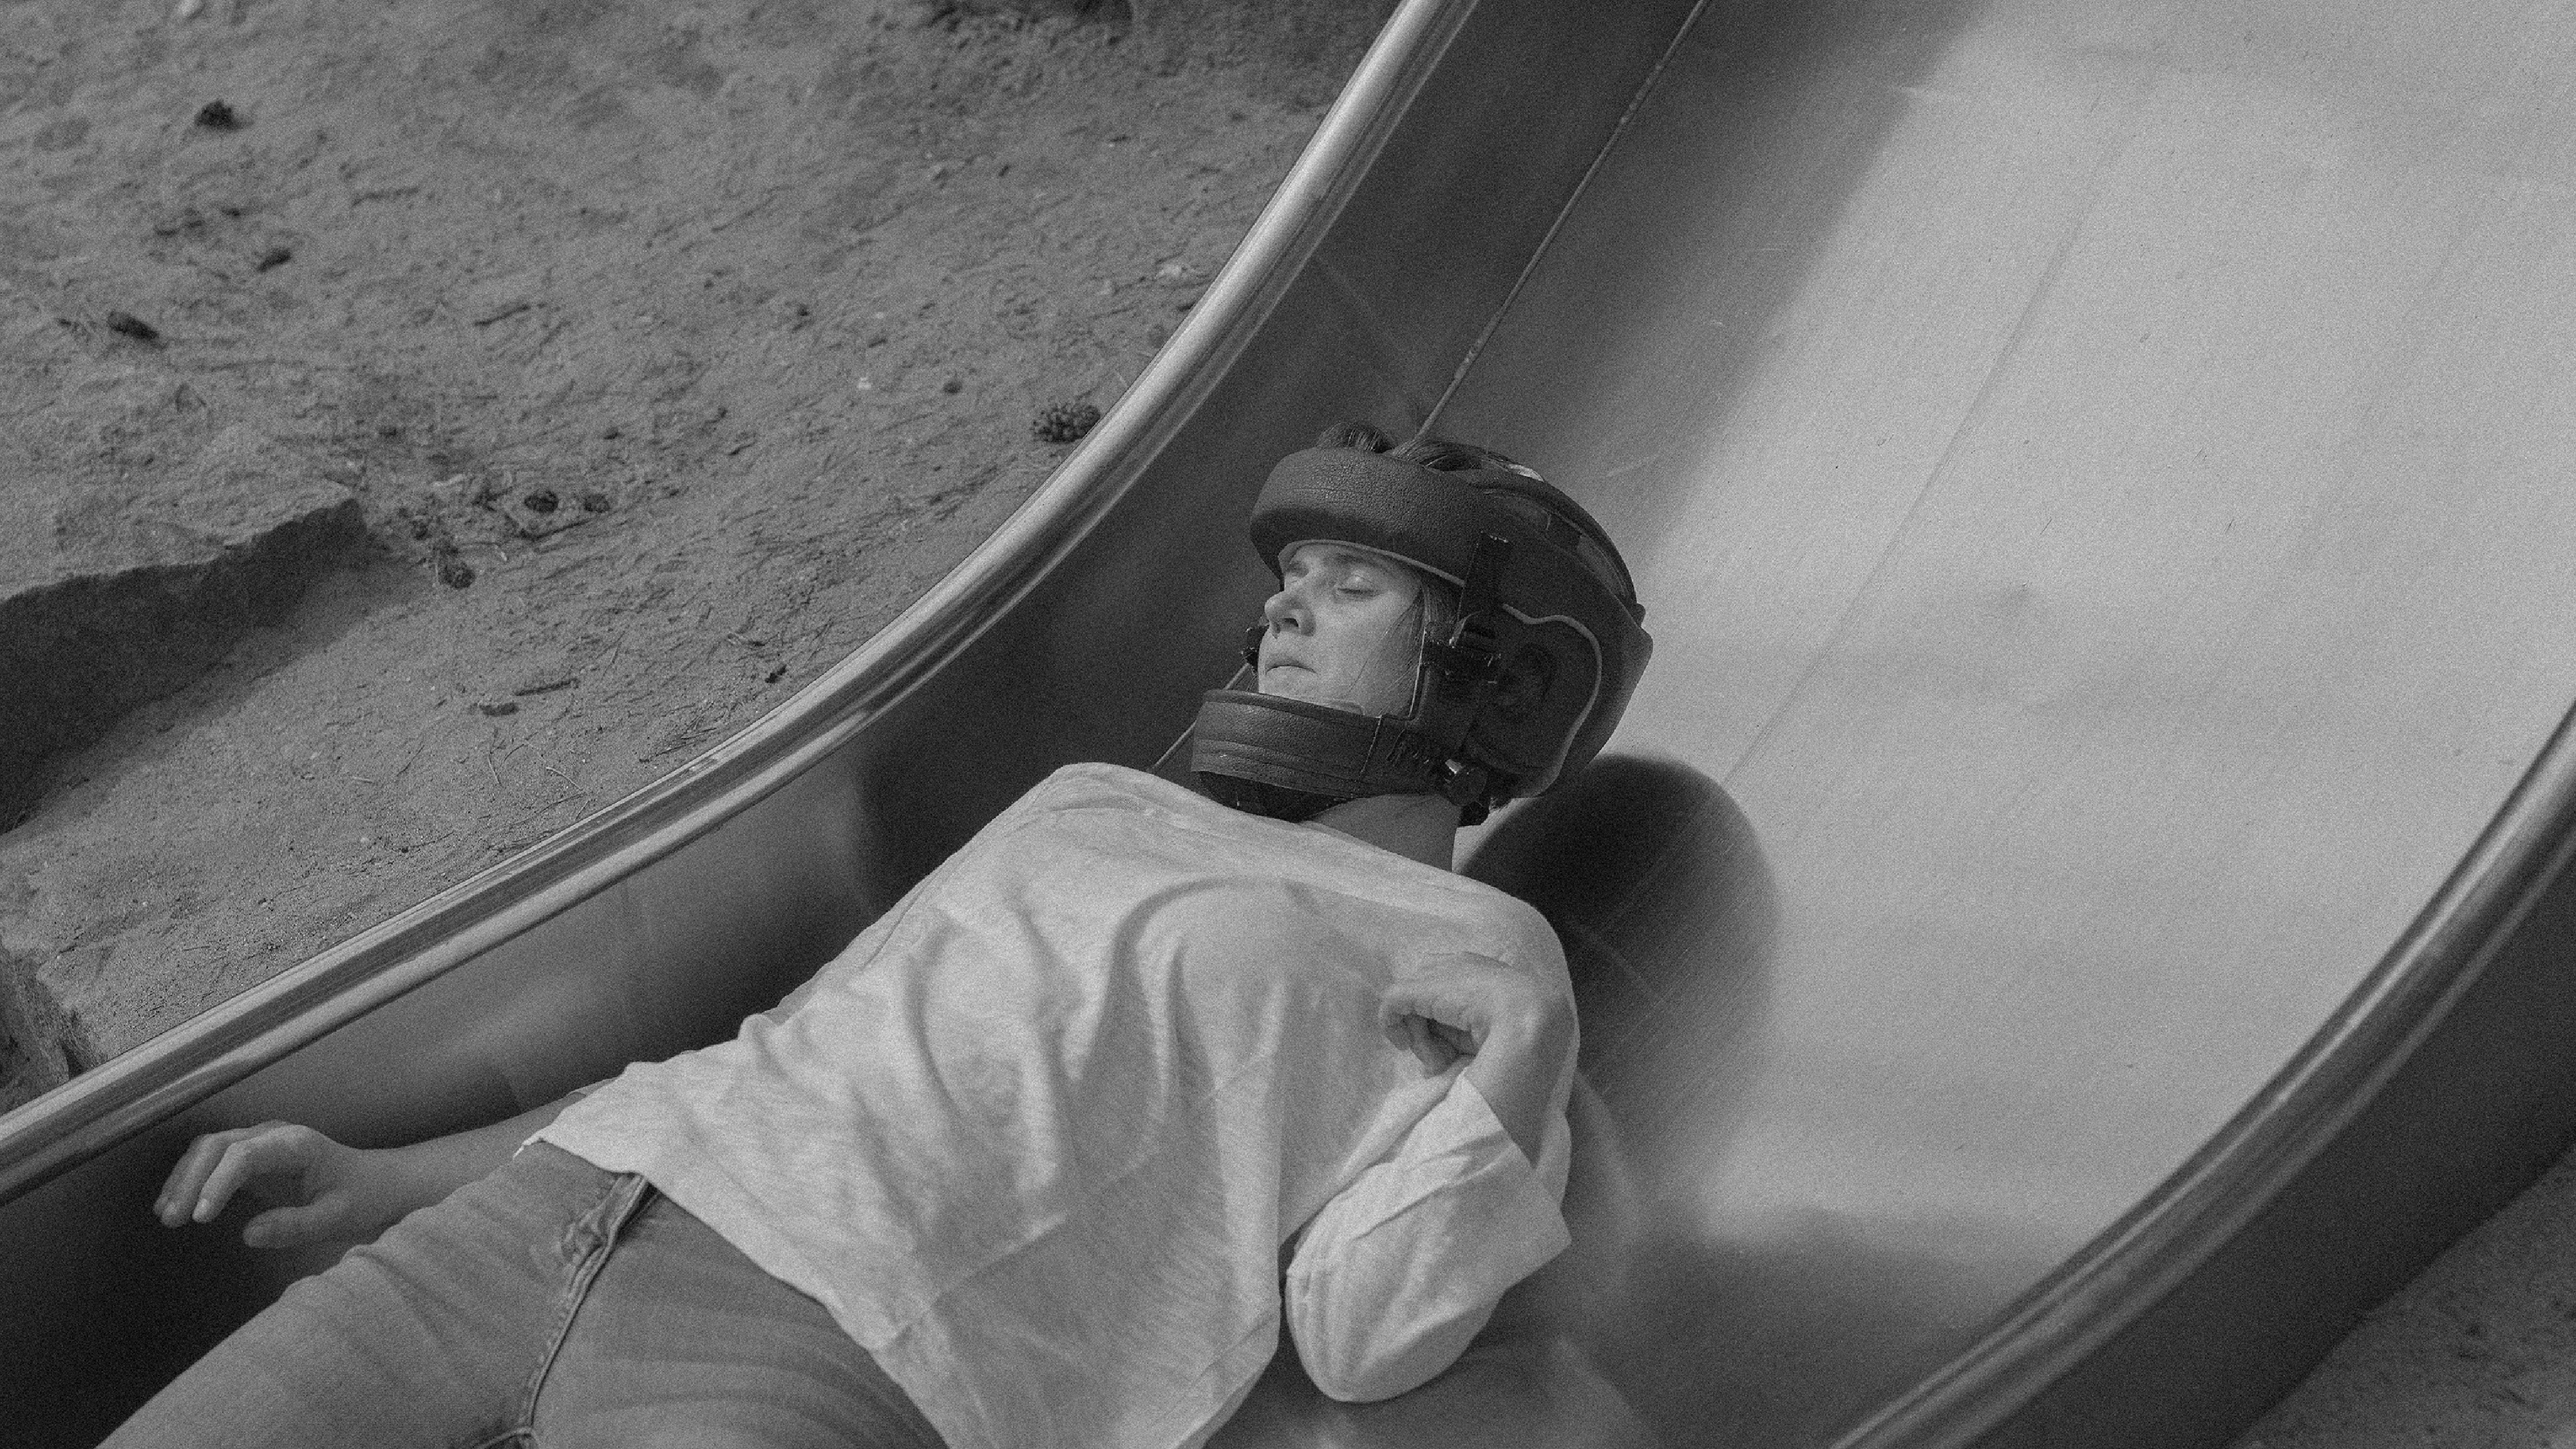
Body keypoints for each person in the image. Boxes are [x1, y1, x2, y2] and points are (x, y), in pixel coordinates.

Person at [115, 421, 1654, 1449]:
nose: (1282, 615)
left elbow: (1366, 1337)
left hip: (836, 1349)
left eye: (1352, 584)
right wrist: (388, 1179)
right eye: (1289, 585)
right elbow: (783, 1051)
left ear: (1500, 679)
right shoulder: (1096, 804)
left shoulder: (1473, 952)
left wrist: (1520, 1058)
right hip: (546, 1220)